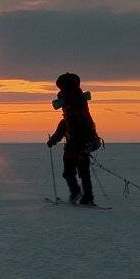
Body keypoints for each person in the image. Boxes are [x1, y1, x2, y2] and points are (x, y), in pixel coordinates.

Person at [47, 72, 101, 206]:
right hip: (84, 142)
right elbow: (65, 124)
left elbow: (65, 125)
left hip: (77, 144)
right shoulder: (79, 102)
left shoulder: (71, 106)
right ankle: (85, 196)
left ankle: (79, 193)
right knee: (83, 172)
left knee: (71, 172)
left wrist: (53, 140)